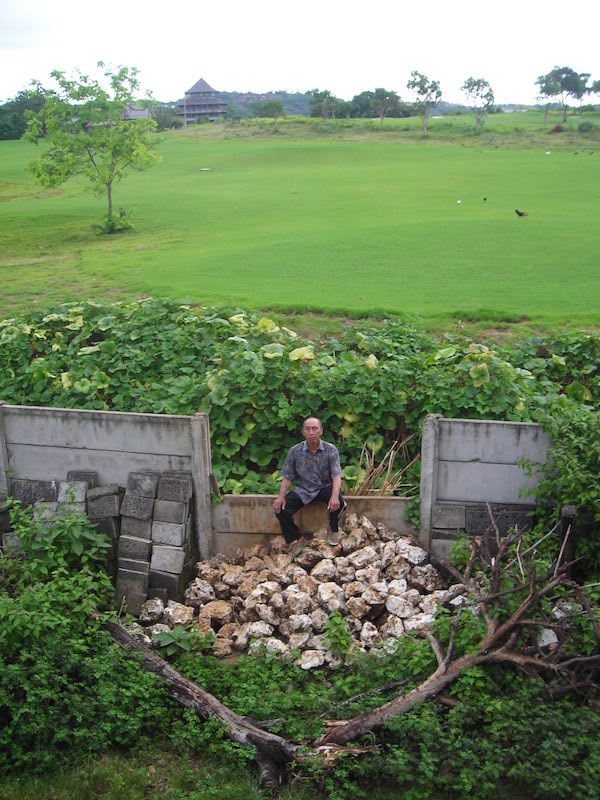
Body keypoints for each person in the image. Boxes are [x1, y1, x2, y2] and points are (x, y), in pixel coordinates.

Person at [273, 417, 346, 555]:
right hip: (303, 489)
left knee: (339, 502)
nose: (311, 432)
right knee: (280, 509)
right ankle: (297, 538)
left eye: (315, 428)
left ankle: (332, 529)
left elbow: (336, 475)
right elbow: (288, 475)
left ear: (321, 431)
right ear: (303, 432)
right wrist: (281, 496)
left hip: (324, 487)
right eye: (308, 429)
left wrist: (335, 496)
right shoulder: (295, 451)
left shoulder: (331, 450)